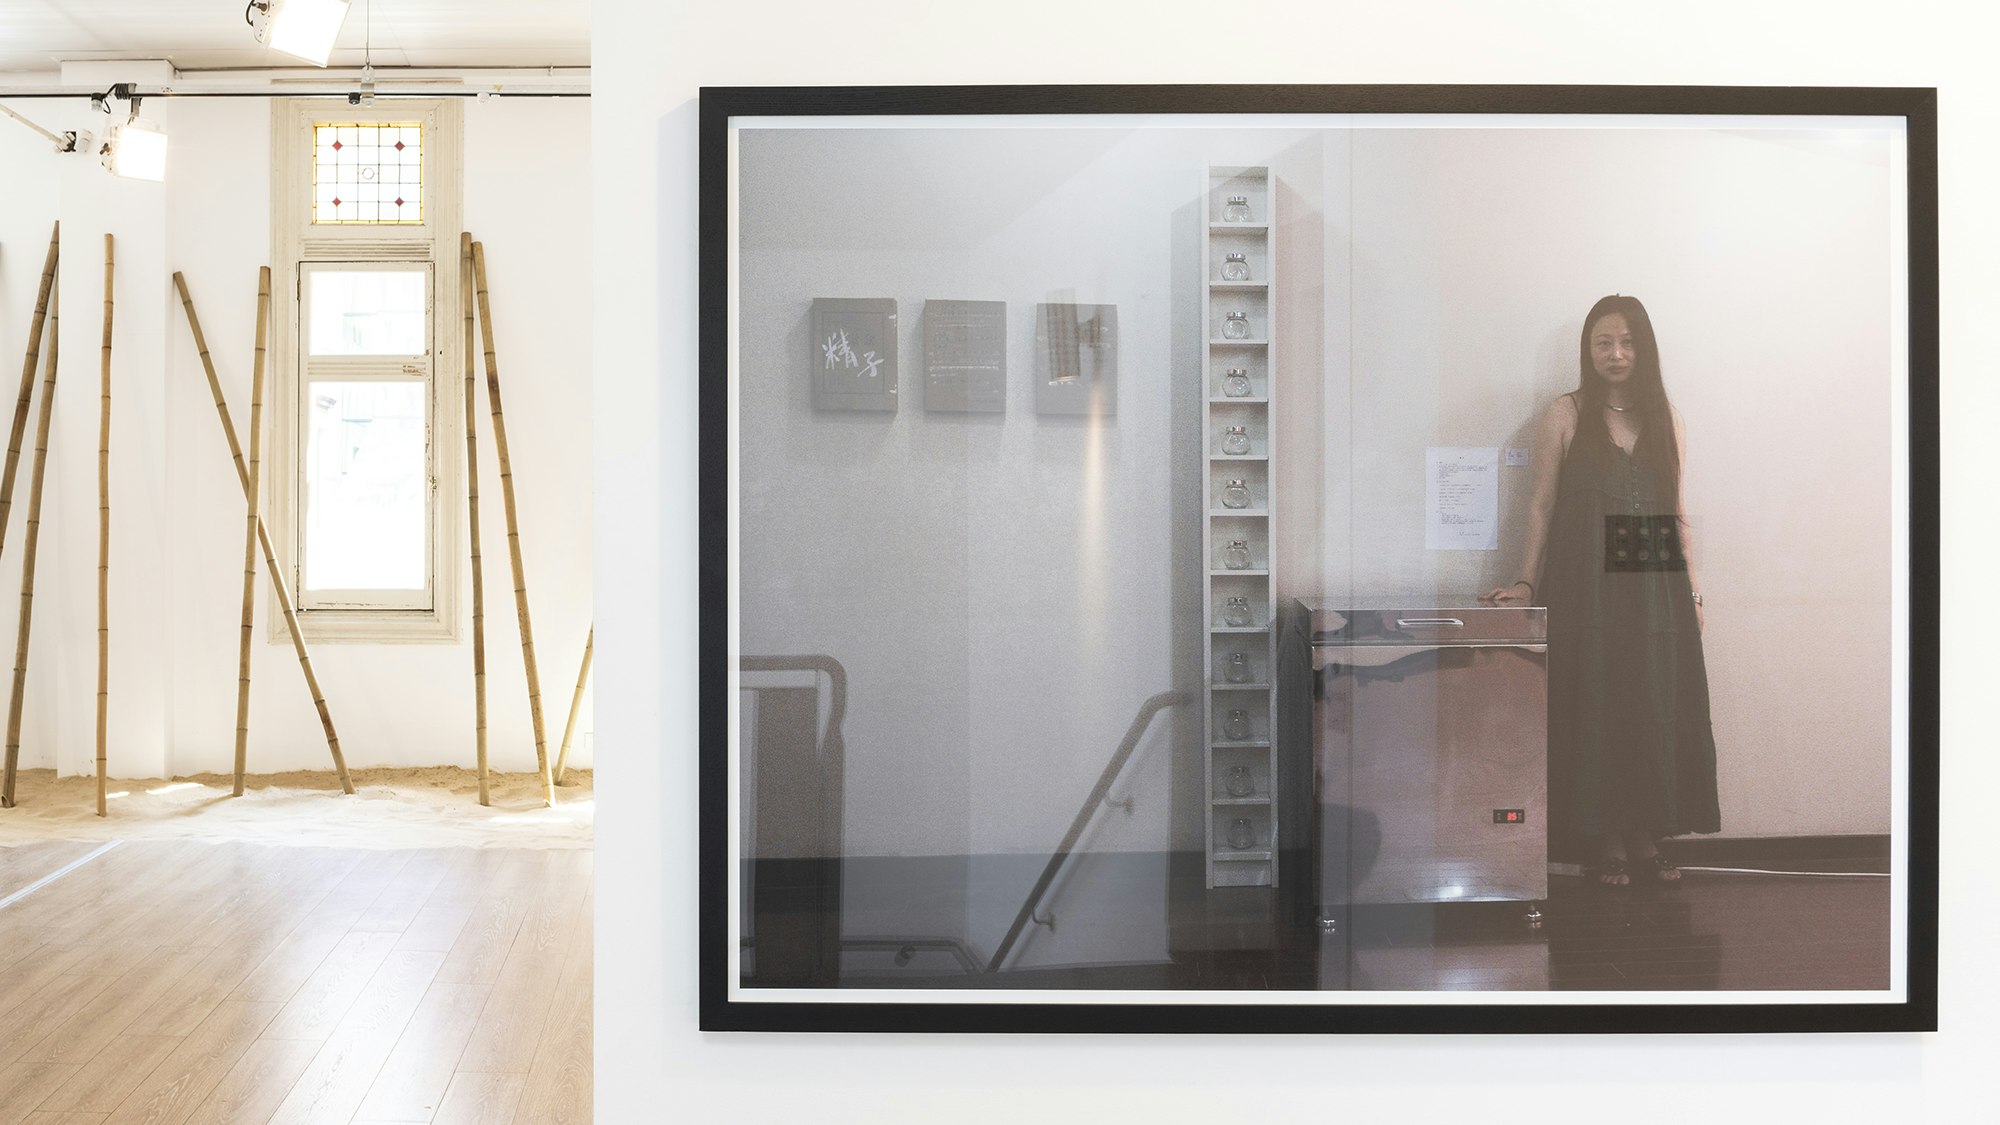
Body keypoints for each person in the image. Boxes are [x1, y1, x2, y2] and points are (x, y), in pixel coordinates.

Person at [1482, 294, 1720, 885]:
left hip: (1654, 585)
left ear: (1645, 348)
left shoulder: (1669, 419)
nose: (1616, 353)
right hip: (1586, 584)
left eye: (1628, 342)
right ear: (1588, 352)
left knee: (1652, 706)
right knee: (1598, 706)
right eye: (1603, 343)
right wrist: (1525, 580)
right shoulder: (1565, 413)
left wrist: (1691, 592)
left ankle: (1645, 834)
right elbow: (1538, 506)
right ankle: (1605, 840)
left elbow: (1677, 512)